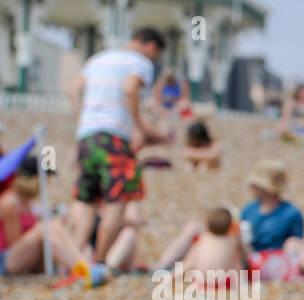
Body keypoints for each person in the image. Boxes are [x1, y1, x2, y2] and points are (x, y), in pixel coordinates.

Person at [66, 27, 169, 264]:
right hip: (114, 137)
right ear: (151, 46)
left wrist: (84, 120)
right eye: (155, 54)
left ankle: (72, 260)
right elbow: (130, 89)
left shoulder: (97, 59)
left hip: (87, 135)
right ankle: (100, 262)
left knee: (85, 197)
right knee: (116, 199)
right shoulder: (140, 62)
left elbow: (73, 91)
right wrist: (139, 126)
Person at [0, 157, 82, 276]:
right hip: (6, 260)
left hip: (26, 256)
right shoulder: (9, 203)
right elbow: (14, 243)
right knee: (45, 228)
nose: (46, 185)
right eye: (45, 180)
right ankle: (80, 268)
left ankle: (79, 265)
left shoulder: (28, 203)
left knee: (54, 224)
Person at [240, 160, 304, 280]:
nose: (251, 187)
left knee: (293, 243)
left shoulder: (290, 213)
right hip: (250, 260)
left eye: (255, 185)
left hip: (278, 261)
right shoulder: (249, 209)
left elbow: (296, 246)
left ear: (267, 188)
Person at [152, 206, 245, 280]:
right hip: (224, 279)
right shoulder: (232, 239)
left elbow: (190, 260)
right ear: (229, 227)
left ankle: (175, 274)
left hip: (201, 278)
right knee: (235, 256)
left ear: (207, 224)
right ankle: (242, 281)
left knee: (194, 253)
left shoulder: (204, 238)